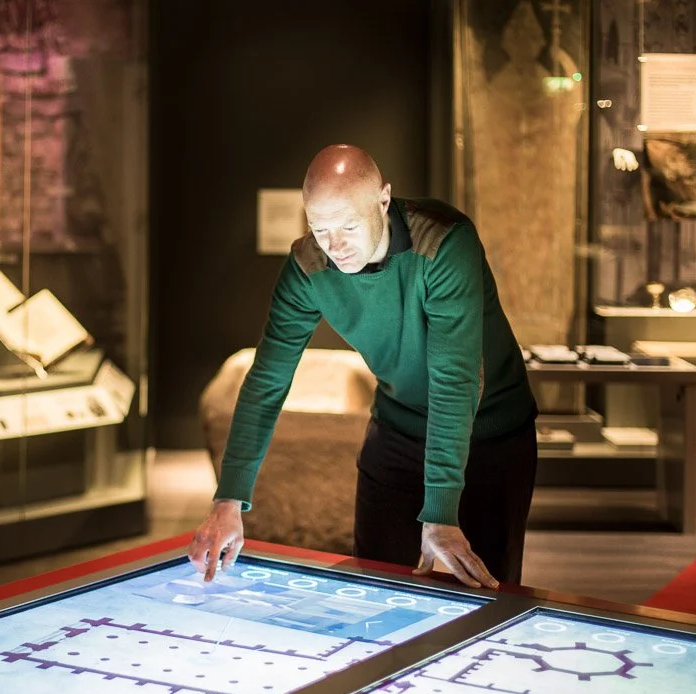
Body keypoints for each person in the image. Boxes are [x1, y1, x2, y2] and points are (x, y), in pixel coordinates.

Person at [187, 144, 538, 589]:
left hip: (490, 434)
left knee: (487, 594)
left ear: (384, 200)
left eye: (349, 226)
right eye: (320, 228)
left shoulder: (444, 243)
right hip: (396, 427)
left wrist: (441, 512)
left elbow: (455, 380)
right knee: (372, 588)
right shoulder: (307, 266)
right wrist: (228, 499)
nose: (335, 246)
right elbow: (267, 379)